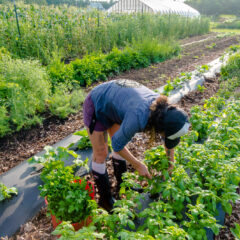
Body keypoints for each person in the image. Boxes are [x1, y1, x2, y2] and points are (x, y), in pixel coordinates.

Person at [83, 79, 190, 211]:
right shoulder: (138, 117)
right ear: (160, 127)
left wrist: (170, 164)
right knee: (101, 153)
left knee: (121, 140)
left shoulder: (164, 112)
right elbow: (117, 145)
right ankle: (105, 201)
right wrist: (138, 165)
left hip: (117, 102)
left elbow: (168, 141)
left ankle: (123, 186)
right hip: (98, 103)